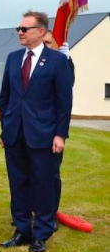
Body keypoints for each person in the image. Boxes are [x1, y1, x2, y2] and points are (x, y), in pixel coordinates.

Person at [0, 11, 73, 252]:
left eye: (25, 29)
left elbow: (64, 101)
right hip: (15, 133)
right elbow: (6, 97)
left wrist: (60, 134)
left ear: (40, 31)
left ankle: (41, 234)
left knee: (43, 185)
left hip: (44, 134)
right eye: (18, 28)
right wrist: (5, 128)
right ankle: (22, 230)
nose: (20, 32)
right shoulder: (12, 59)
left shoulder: (57, 61)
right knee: (18, 183)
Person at [42, 29, 75, 225]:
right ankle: (33, 210)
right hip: (32, 129)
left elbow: (66, 88)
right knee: (31, 174)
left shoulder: (63, 62)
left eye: (48, 43)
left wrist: (66, 59)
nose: (44, 46)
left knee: (51, 174)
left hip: (52, 130)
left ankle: (51, 213)